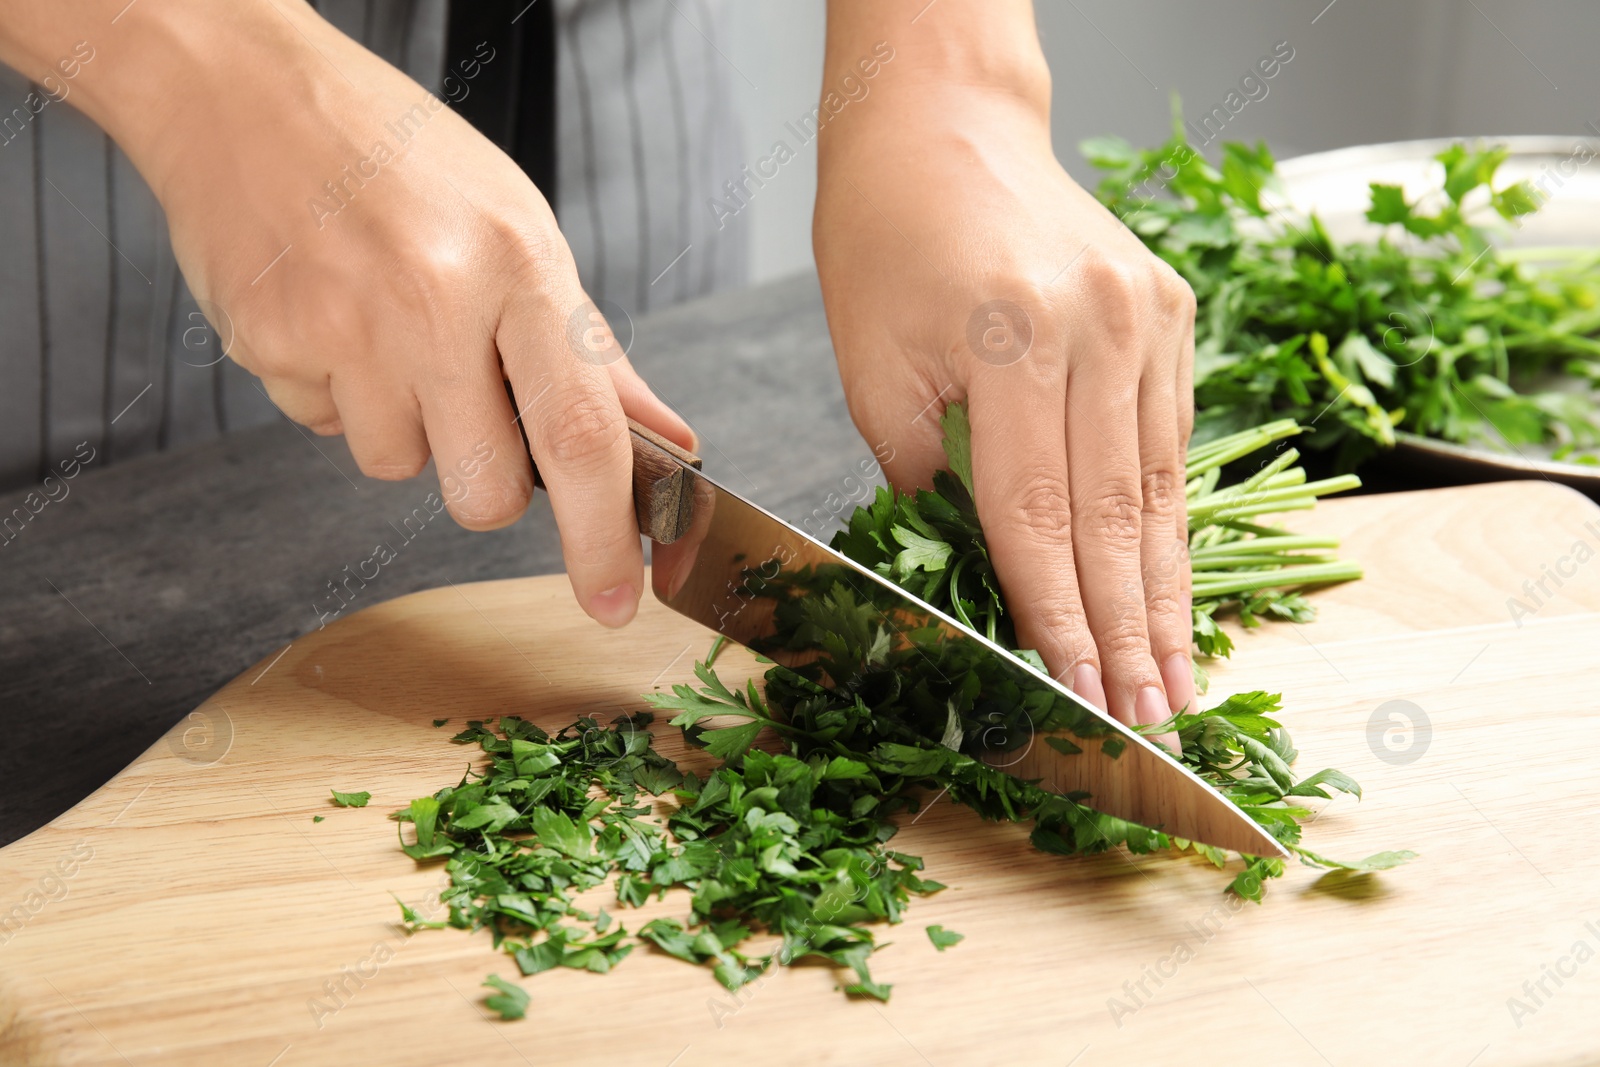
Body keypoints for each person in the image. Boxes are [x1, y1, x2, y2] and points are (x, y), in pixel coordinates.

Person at [0, 0, 1198, 735]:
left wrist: (950, 77)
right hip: (69, 129)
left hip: (592, 62)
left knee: (585, 450)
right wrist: (205, 69)